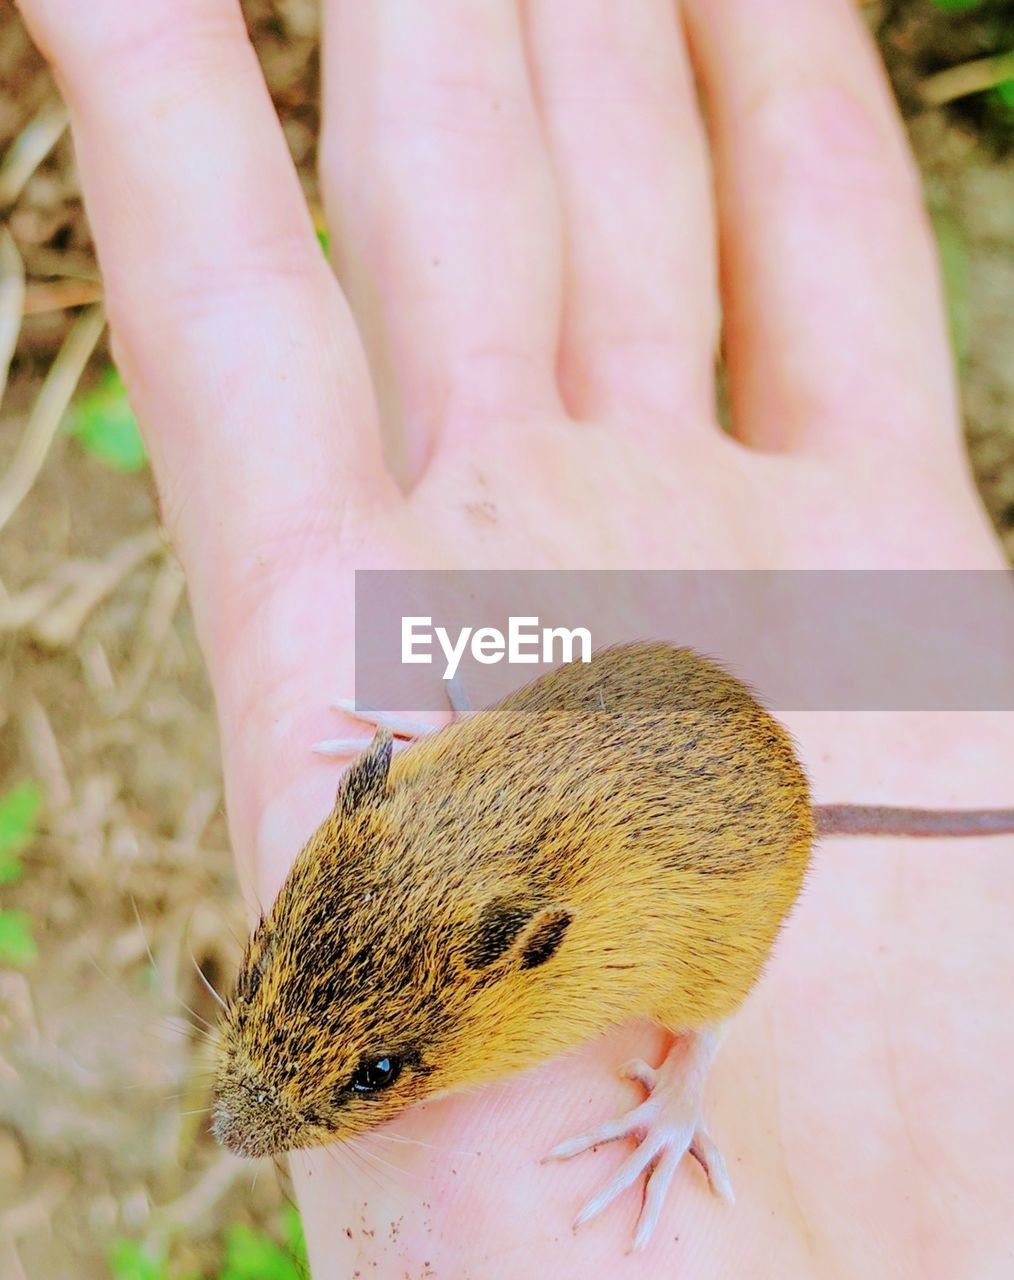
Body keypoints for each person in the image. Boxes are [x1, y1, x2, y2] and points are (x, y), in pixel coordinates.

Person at [16, 0, 1012, 1274]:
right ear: (372, 790)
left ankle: (692, 1066)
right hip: (611, 738)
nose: (246, 1128)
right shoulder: (395, 793)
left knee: (699, 989)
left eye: (379, 1075)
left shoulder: (541, 946)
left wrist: (680, 1083)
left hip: (705, 805)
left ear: (527, 954)